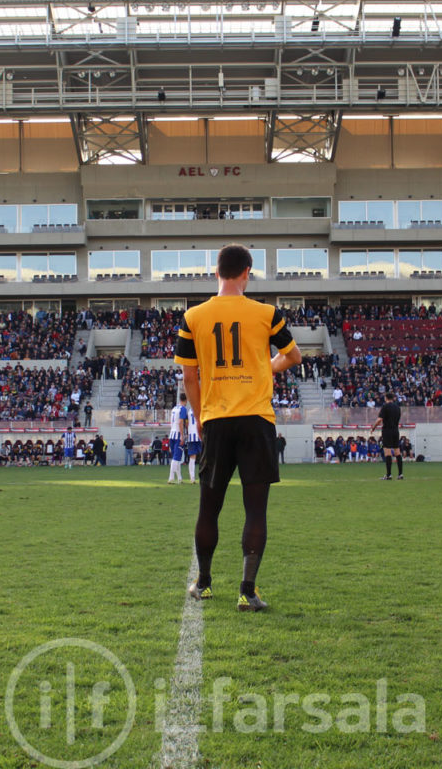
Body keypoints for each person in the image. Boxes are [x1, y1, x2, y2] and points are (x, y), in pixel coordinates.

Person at [175, 243, 302, 612]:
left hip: (216, 419)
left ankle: (204, 583)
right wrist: (268, 368)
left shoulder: (194, 316)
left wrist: (200, 417)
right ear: (247, 273)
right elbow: (293, 356)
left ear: (216, 273)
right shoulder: (267, 313)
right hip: (257, 419)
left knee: (208, 508)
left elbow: (189, 375)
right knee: (255, 510)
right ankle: (247, 591)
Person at [369, 391, 404, 480]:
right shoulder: (397, 407)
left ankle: (389, 475)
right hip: (396, 430)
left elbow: (379, 419)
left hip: (387, 430)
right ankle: (400, 474)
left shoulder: (385, 407)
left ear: (386, 398)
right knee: (397, 452)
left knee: (387, 452)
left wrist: (373, 427)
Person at [167, 392, 190, 484]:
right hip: (177, 435)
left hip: (171, 434)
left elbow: (171, 422)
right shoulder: (183, 409)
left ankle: (179, 478)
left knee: (176, 458)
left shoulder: (174, 408)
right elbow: (181, 422)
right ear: (186, 400)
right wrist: (182, 435)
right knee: (176, 458)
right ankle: (171, 478)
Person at [185, 404, 201, 483]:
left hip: (191, 435)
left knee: (192, 457)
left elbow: (187, 424)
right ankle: (205, 477)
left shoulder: (189, 411)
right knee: (204, 457)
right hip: (200, 435)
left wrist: (188, 432)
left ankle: (192, 478)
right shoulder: (200, 408)